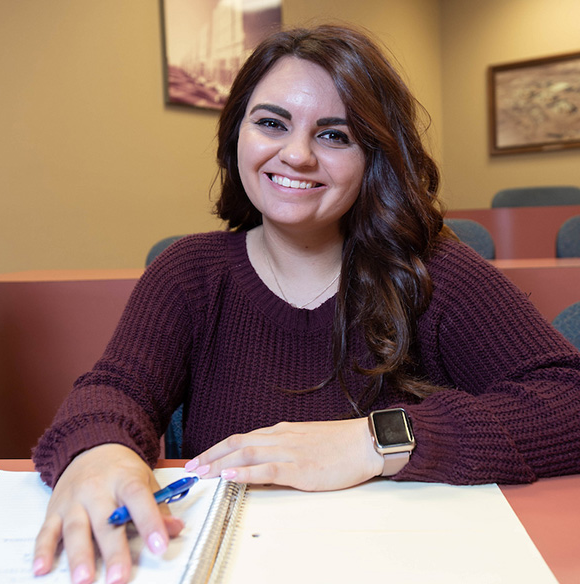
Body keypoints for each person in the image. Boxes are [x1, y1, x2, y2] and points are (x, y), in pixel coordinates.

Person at [32, 23, 580, 584]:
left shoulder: (433, 273)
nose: (295, 155)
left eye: (334, 135)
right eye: (271, 123)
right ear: (235, 136)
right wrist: (98, 452)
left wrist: (375, 441)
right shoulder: (189, 273)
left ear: (376, 156)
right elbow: (114, 390)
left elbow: (570, 400)